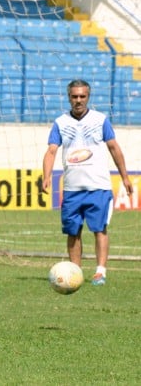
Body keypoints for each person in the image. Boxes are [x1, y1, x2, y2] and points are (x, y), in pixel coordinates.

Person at [42, 79, 132, 286]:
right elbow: (51, 151)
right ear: (69, 97)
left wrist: (125, 177)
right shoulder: (60, 123)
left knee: (99, 229)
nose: (78, 100)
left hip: (98, 187)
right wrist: (46, 175)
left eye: (82, 96)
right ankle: (75, 272)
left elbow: (114, 148)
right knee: (73, 231)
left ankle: (100, 271)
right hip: (73, 189)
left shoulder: (100, 120)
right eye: (74, 97)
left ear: (88, 97)